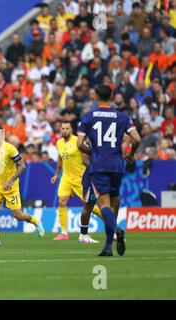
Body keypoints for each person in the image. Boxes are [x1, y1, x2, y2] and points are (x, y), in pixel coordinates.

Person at [77, 85, 141, 256]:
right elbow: (136, 138)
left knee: (104, 204)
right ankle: (107, 246)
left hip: (99, 166)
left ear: (96, 96)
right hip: (117, 165)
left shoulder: (88, 117)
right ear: (112, 96)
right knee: (115, 203)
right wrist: (131, 153)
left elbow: (79, 144)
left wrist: (95, 152)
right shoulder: (122, 117)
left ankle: (117, 229)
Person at [0, 128, 44, 248]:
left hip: (11, 186)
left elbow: (22, 166)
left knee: (17, 215)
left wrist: (10, 180)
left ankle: (36, 221)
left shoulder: (10, 149)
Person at [50, 121, 102, 241]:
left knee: (89, 205)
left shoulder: (78, 142)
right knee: (61, 202)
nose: (64, 131)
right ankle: (64, 233)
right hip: (66, 177)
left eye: (67, 128)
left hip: (79, 177)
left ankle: (108, 223)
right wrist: (57, 174)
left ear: (71, 129)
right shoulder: (59, 143)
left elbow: (87, 157)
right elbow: (60, 159)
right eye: (62, 128)